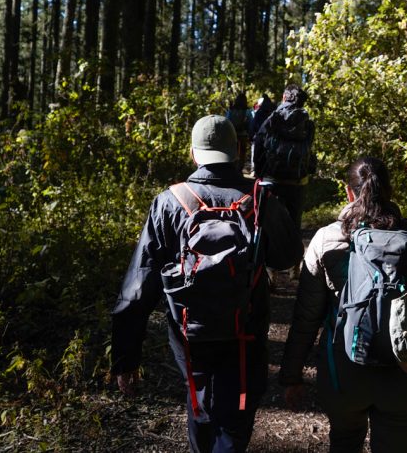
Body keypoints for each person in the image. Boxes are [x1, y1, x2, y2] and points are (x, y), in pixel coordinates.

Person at [111, 115, 302, 453]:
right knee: (236, 414)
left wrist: (126, 359)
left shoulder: (169, 202)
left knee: (199, 402)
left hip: (190, 334)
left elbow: (137, 289)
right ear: (238, 150)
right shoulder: (260, 198)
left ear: (193, 153)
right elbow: (287, 257)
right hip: (245, 331)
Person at [279, 157, 407, 453]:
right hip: (405, 372)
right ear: (390, 190)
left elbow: (306, 317)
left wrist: (291, 375)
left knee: (344, 441)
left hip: (344, 373)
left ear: (348, 192)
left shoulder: (327, 240)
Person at [251, 83, 316, 230]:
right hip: (298, 180)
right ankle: (293, 244)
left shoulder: (272, 118)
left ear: (284, 97)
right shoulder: (307, 123)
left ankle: (269, 244)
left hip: (272, 180)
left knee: (268, 225)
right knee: (294, 224)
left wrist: (259, 173)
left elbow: (259, 143)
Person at [225, 91, 253, 168]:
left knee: (234, 151)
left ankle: (233, 167)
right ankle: (240, 168)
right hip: (243, 134)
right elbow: (250, 123)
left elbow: (227, 121)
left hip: (233, 135)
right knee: (242, 153)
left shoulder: (231, 110)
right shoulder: (247, 111)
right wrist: (250, 134)